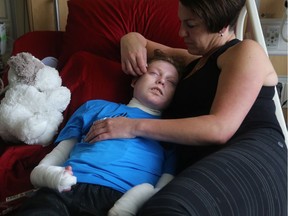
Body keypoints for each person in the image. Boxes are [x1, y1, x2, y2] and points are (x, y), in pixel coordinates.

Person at [84, 0, 287, 215]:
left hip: (252, 156)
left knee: (168, 209)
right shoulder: (190, 61)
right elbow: (142, 43)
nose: (181, 32)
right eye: (181, 22)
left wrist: (131, 126)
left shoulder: (245, 51)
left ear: (221, 25)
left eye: (190, 25)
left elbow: (219, 128)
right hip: (203, 164)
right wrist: (130, 39)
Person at [16, 50, 184, 216]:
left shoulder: (171, 130)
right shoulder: (95, 107)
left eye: (171, 82)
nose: (161, 81)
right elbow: (61, 151)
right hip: (68, 184)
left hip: (121, 199)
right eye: (154, 73)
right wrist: (46, 173)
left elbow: (163, 187)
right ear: (134, 80)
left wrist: (136, 200)